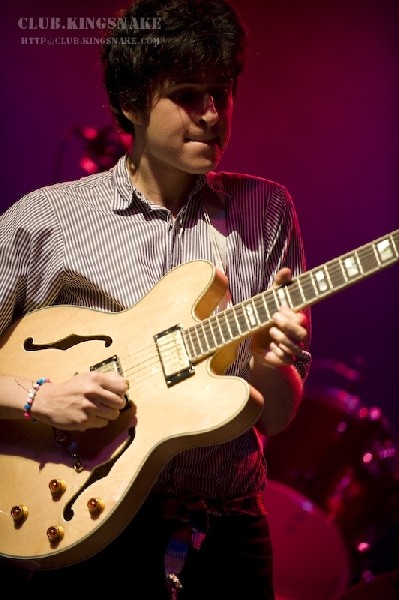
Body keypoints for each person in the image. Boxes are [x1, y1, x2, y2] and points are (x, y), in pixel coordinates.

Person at [0, 0, 311, 598]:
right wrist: (39, 397)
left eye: (223, 91)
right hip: (83, 521)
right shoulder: (44, 219)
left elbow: (274, 416)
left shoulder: (266, 213)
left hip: (227, 533)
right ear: (132, 103)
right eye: (188, 95)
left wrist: (273, 364)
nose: (213, 115)